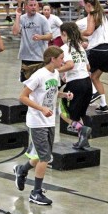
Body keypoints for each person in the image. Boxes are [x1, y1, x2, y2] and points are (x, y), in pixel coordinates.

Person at [13, 46, 73, 205]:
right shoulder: (39, 75)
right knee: (45, 157)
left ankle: (22, 170)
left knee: (41, 156)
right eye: (61, 58)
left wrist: (64, 95)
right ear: (53, 59)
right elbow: (23, 97)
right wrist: (41, 108)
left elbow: (51, 92)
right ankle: (36, 192)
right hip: (37, 121)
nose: (63, 61)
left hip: (49, 121)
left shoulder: (55, 74)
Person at [58, 22, 92, 148]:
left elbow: (70, 64)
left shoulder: (65, 47)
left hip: (76, 84)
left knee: (63, 112)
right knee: (78, 115)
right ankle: (82, 140)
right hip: (88, 83)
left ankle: (82, 130)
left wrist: (56, 71)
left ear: (64, 34)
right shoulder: (79, 47)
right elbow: (88, 66)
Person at [81, 0, 108, 113]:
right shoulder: (102, 14)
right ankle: (104, 105)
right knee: (95, 77)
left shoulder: (91, 14)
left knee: (84, 73)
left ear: (88, 5)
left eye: (85, 6)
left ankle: (94, 93)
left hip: (97, 50)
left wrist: (78, 33)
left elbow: (89, 31)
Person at [12, 0, 52, 82]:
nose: (33, 7)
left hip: (40, 57)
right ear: (25, 6)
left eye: (35, 5)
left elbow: (50, 35)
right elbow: (15, 32)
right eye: (31, 5)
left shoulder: (42, 19)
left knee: (40, 83)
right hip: (26, 57)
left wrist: (41, 37)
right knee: (27, 84)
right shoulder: (22, 18)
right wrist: (18, 16)